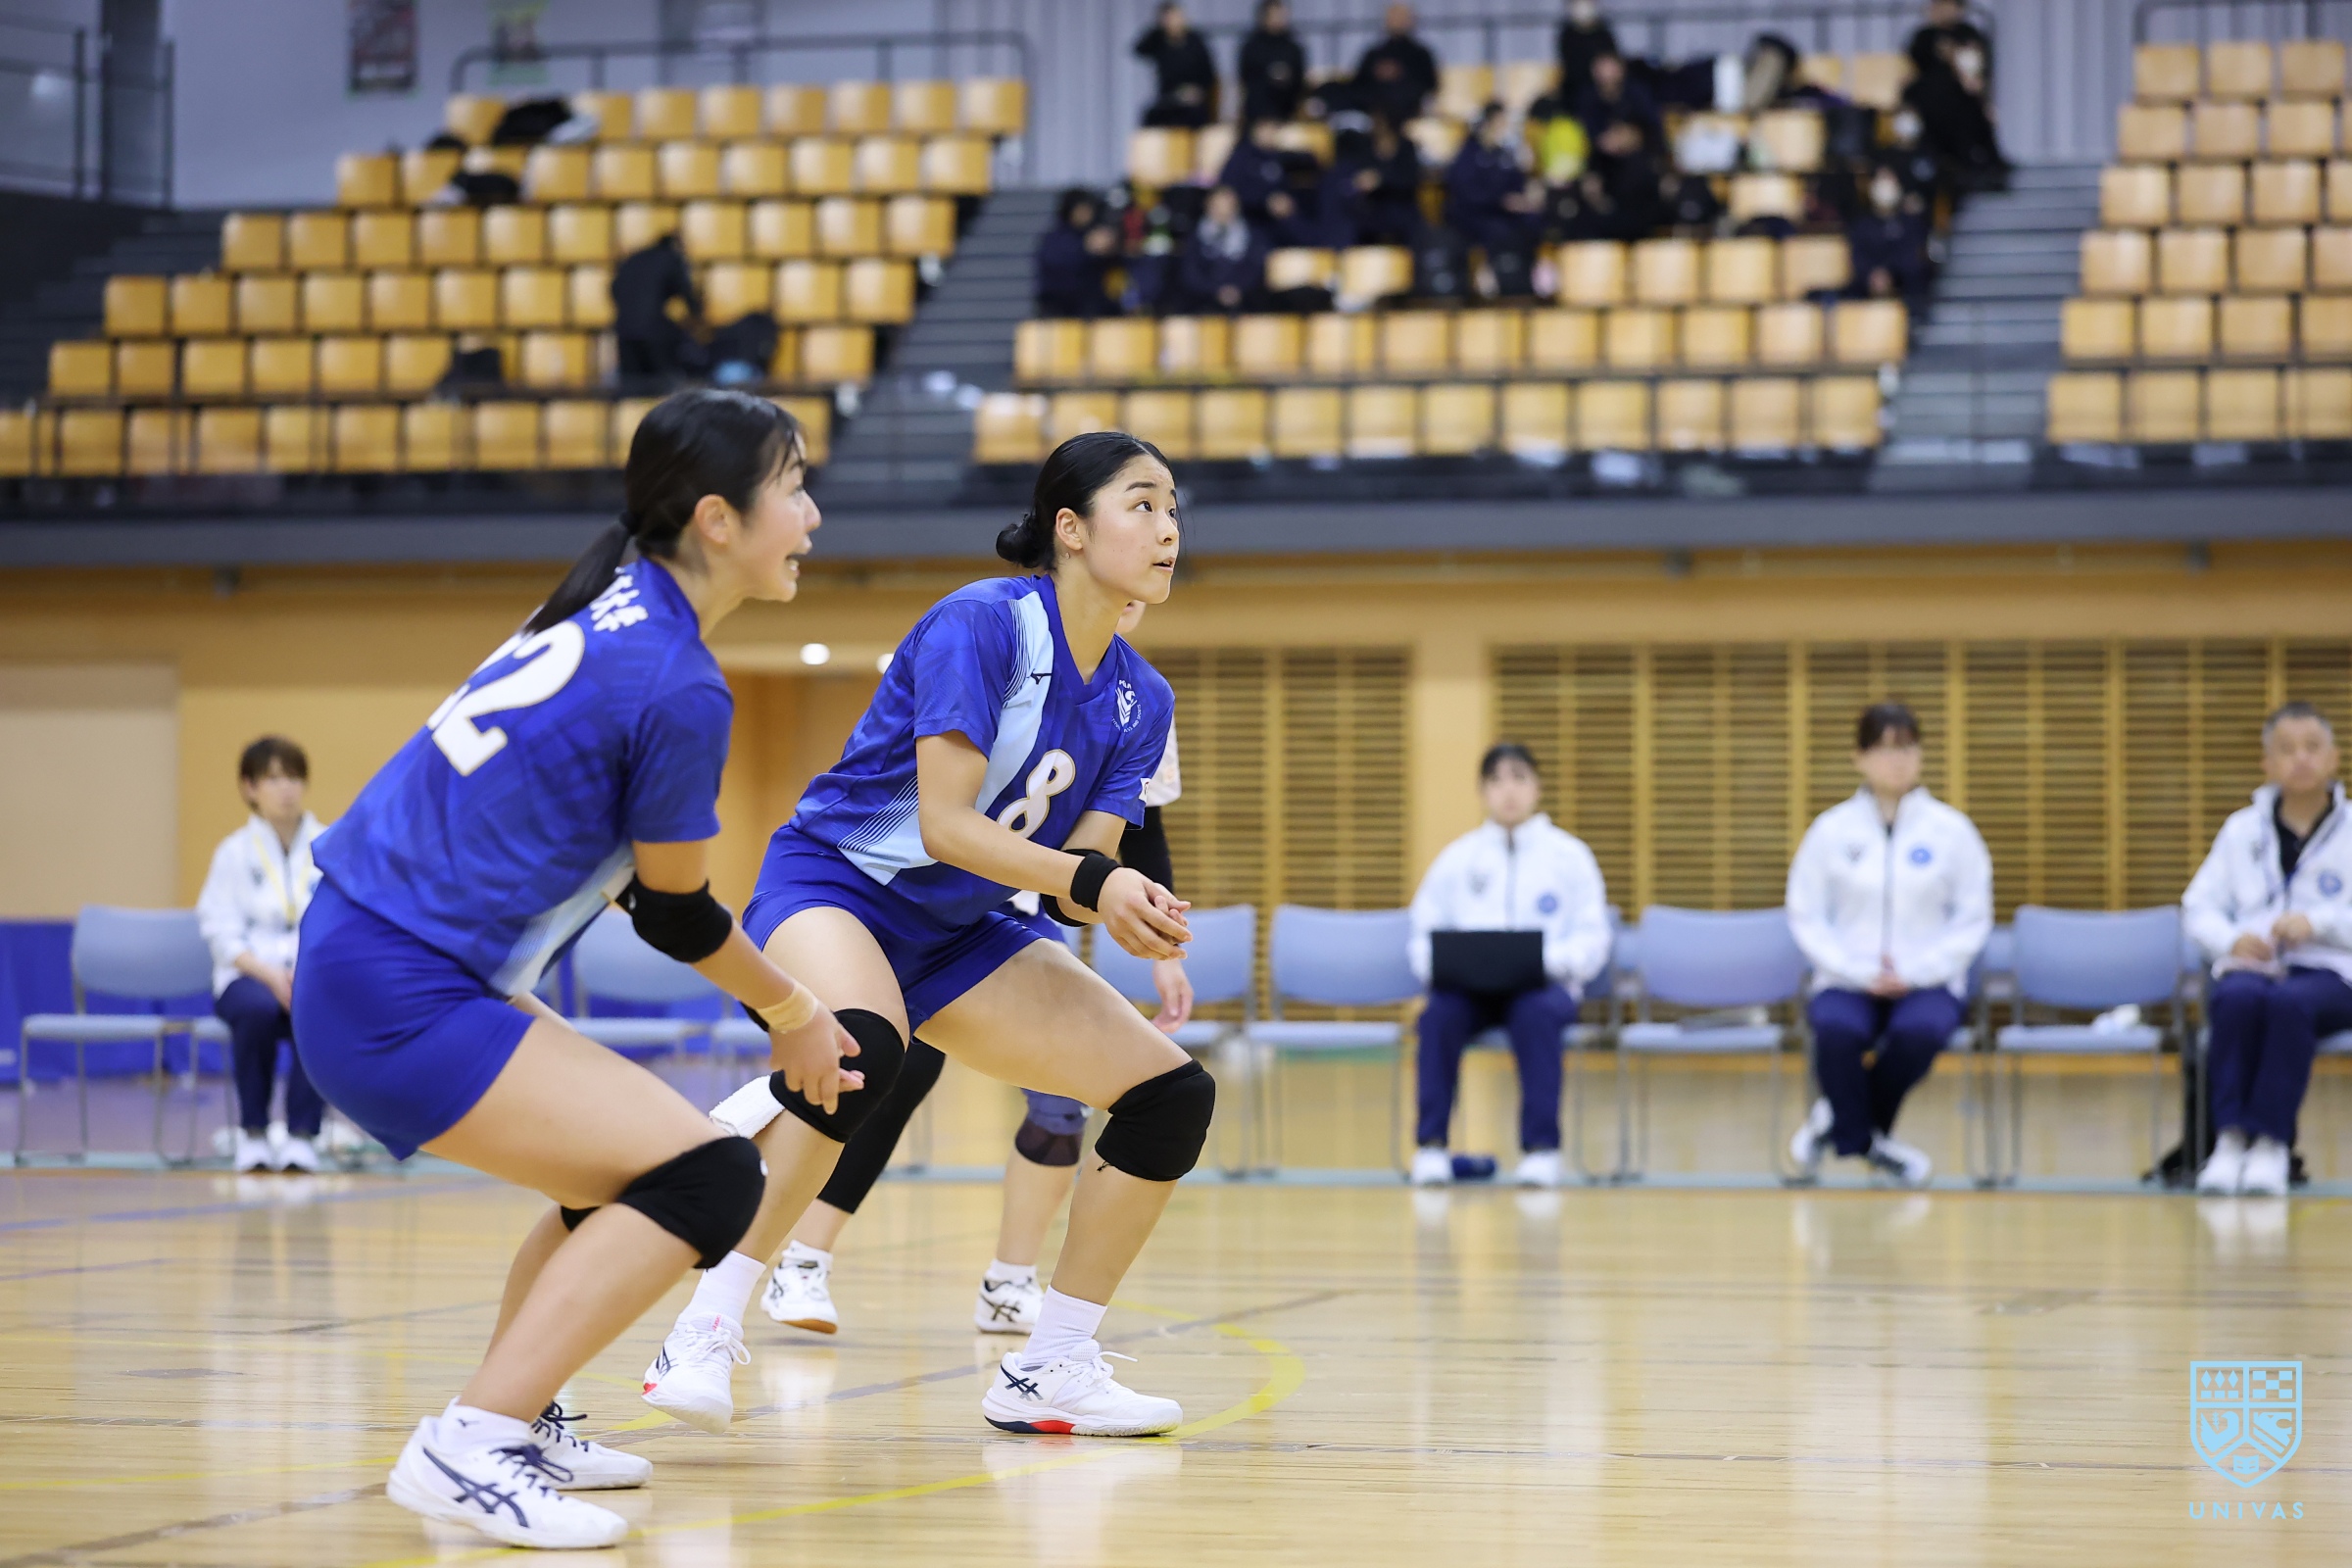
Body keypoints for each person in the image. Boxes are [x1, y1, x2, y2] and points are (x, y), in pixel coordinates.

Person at [290, 391, 853, 1550]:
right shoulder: (677, 679)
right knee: (711, 1181)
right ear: (716, 518)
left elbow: (640, 889)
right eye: (793, 487)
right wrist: (794, 1009)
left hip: (369, 952)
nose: (810, 516)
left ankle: (521, 1415)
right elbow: (674, 908)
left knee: (634, 1169)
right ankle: (472, 1442)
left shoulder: (607, 603)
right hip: (398, 986)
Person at [640, 431, 1203, 1443]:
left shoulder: (1141, 699)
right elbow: (946, 824)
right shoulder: (982, 624)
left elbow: (1079, 873)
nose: (1169, 529)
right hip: (837, 885)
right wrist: (1092, 880)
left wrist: (1126, 904)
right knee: (865, 1051)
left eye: (1174, 509)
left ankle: (1052, 1364)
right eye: (1144, 504)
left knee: (1171, 1095)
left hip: (960, 927)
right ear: (1070, 529)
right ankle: (706, 1322)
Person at [764, 650, 1191, 1338]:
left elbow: (1141, 830)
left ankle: (1010, 1281)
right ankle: (803, 1257)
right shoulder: (1000, 648)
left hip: (1017, 910)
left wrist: (1159, 935)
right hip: (915, 893)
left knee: (1070, 1104)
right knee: (885, 1067)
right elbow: (939, 808)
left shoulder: (1140, 700)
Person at [1786, 703, 1991, 1188]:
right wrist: (1856, 970)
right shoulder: (1831, 831)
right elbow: (1806, 914)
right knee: (1835, 1029)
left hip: (1927, 980)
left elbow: (1972, 918)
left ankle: (1841, 1123)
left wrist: (1918, 972)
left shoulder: (1952, 832)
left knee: (1920, 1032)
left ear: (1921, 755)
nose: (1896, 761)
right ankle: (1868, 1141)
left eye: (1907, 748)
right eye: (1883, 749)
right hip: (1848, 978)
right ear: (1859, 757)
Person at [1407, 744, 1610, 1190]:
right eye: (1496, 781)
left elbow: (1593, 940)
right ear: (1482, 792)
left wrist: (1543, 962)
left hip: (1542, 988)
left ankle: (1541, 1151)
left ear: (1537, 787)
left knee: (1537, 1016)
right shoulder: (1457, 859)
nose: (1509, 791)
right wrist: (1439, 967)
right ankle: (1431, 1147)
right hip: (1471, 991)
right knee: (1438, 1015)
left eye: (1519, 778)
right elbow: (1423, 932)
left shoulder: (1570, 857)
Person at [2185, 703, 2352, 1198]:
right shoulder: (2241, 830)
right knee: (2235, 999)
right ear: (2267, 763)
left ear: (2333, 759)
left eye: (2312, 747)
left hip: (2332, 973)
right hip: (2255, 966)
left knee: (2288, 1004)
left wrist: (2318, 923)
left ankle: (2271, 1144)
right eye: (2286, 749)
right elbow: (2198, 906)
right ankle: (2229, 1141)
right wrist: (2230, 939)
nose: (2300, 758)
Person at [196, 735, 327, 1175]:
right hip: (248, 976)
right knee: (255, 1009)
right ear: (249, 788)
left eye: (293, 777)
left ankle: (302, 1137)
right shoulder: (233, 853)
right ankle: (253, 1133)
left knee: (320, 1006)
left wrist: (307, 973)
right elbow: (220, 929)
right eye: (272, 779)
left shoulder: (329, 845)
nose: (286, 788)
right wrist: (269, 975)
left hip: (311, 974)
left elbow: (345, 924)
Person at [1904, 0, 2008, 190]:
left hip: (1962, 99)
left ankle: (1981, 166)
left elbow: (1977, 69)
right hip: (1930, 99)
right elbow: (1916, 64)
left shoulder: (1968, 34)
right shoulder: (1924, 36)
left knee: (1970, 109)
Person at [1445, 104, 1545, 288]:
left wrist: (1525, 198)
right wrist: (1501, 200)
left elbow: (1516, 184)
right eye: (1500, 123)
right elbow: (1465, 191)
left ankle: (1530, 274)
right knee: (1498, 230)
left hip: (1504, 212)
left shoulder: (1504, 154)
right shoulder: (1468, 153)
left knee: (1535, 220)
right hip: (1474, 214)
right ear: (1486, 125)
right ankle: (1495, 277)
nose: (1503, 128)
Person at [611, 232, 707, 389]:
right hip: (654, 332)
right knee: (664, 383)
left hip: (624, 330)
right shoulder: (671, 258)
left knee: (631, 386)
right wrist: (698, 316)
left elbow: (614, 290)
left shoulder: (633, 259)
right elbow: (686, 292)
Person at [1174, 185, 1269, 314]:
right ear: (1207, 207)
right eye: (1217, 206)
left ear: (1237, 207)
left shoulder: (1254, 235)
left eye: (1228, 206)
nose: (1223, 212)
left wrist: (1237, 290)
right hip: (1203, 303)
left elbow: (1258, 270)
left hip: (1247, 302)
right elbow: (1190, 274)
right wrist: (1216, 290)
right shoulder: (1194, 236)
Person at [1848, 163, 1933, 303]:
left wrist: (1890, 273)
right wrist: (1873, 274)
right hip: (1866, 289)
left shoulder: (1912, 223)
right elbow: (1858, 257)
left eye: (1889, 179)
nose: (1885, 185)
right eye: (1881, 179)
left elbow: (1913, 256)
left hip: (1906, 291)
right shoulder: (1861, 226)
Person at [1353, 4, 1440, 129]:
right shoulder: (1374, 53)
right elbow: (1358, 84)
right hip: (1374, 110)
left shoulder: (1421, 54)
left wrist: (1400, 76)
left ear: (1411, 20)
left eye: (1401, 17)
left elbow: (1430, 85)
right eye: (1393, 17)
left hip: (1407, 109)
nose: (1397, 21)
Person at [1035, 188, 1117, 318]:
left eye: (1089, 209)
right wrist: (1085, 249)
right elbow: (1055, 265)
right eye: (1082, 209)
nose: (1086, 214)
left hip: (1091, 309)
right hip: (1058, 308)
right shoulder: (1055, 238)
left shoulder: (1095, 233)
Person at [1133, 3, 1216, 130]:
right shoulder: (1159, 41)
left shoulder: (1195, 41)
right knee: (1150, 116)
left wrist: (1196, 91)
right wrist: (1157, 30)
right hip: (1169, 99)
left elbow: (1209, 74)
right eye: (1167, 19)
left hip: (1194, 100)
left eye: (1174, 17)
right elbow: (1139, 49)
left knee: (1193, 116)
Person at [1239, 0, 1307, 125]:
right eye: (1274, 15)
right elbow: (1245, 79)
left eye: (1281, 15)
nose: (1279, 20)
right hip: (1258, 110)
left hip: (1287, 108)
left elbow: (1300, 81)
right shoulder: (1252, 46)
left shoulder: (1293, 47)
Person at [1555, 0, 1620, 108]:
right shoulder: (1567, 34)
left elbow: (1612, 61)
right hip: (1575, 92)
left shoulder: (1603, 32)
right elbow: (1571, 68)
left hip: (1602, 89)